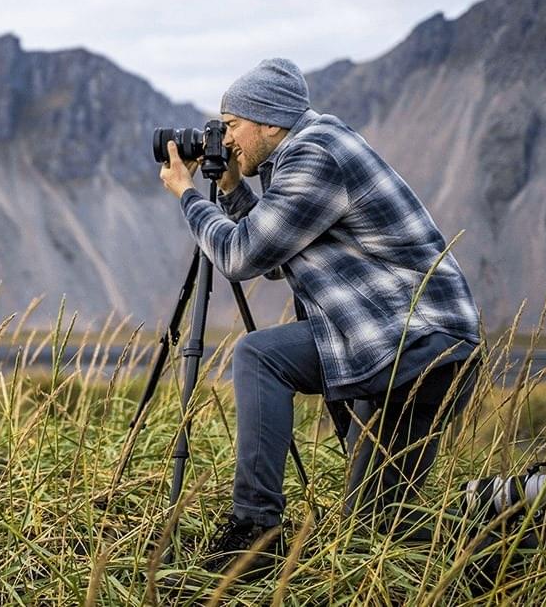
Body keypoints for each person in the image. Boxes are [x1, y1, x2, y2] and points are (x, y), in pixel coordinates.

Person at [158, 57, 484, 576]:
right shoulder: (310, 151)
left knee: (259, 356)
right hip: (417, 347)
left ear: (269, 121)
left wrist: (188, 197)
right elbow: (273, 257)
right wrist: (231, 188)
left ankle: (255, 530)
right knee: (378, 528)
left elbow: (240, 258)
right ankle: (523, 504)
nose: (224, 137)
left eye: (232, 123)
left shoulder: (315, 156)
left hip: (411, 341)